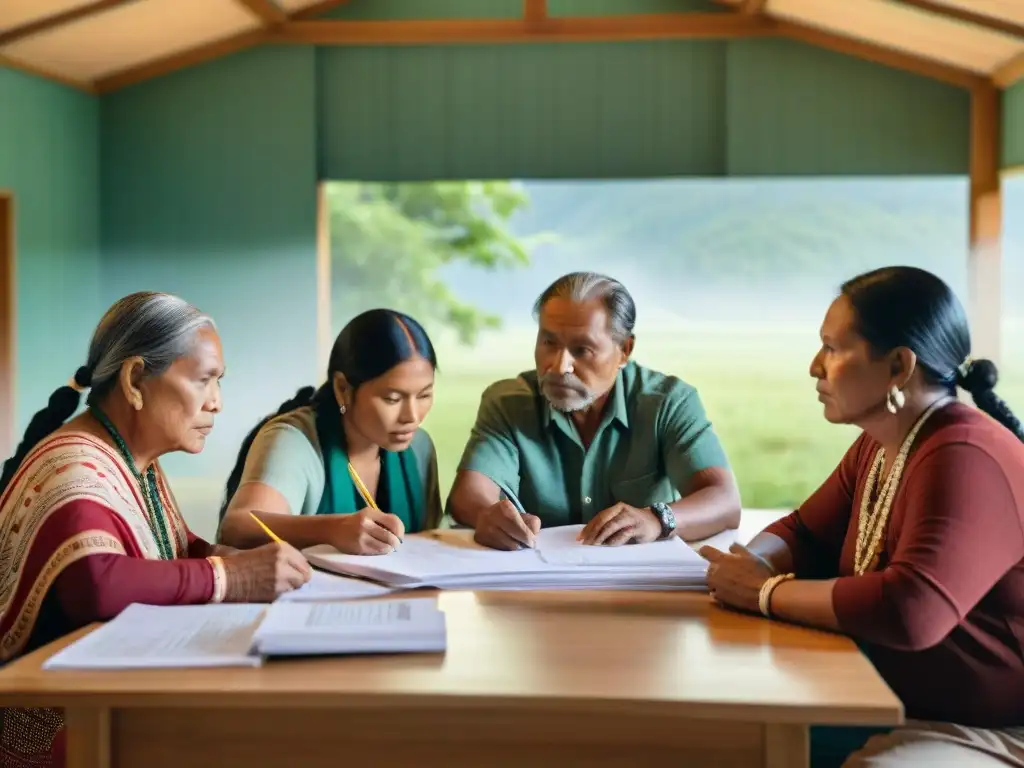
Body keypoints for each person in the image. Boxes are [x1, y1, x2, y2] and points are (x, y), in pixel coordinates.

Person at [702, 266, 1024, 768]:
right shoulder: (881, 443)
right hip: (894, 700)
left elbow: (911, 610)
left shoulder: (965, 454)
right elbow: (804, 530)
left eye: (832, 348)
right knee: (721, 739)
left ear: (898, 365)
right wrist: (747, 564)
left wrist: (763, 593)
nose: (814, 365)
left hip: (989, 729)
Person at [0, 291, 311, 768]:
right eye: (205, 381)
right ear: (135, 378)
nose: (217, 403)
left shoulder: (133, 460)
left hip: (94, 689)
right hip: (38, 718)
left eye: (219, 382)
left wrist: (224, 555)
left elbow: (175, 547)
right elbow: (95, 584)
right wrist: (237, 577)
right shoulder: (74, 462)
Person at [447, 271, 741, 551]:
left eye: (582, 349)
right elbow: (469, 494)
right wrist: (486, 514)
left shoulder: (669, 402)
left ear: (624, 350)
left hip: (639, 590)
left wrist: (656, 519)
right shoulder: (508, 402)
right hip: (536, 589)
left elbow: (724, 499)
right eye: (549, 342)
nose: (559, 367)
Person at [218, 309, 442, 553]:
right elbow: (237, 528)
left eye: (424, 395)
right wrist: (331, 530)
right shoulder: (294, 440)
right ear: (343, 388)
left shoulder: (419, 448)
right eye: (392, 398)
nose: (412, 416)